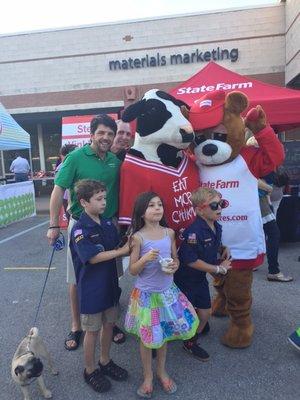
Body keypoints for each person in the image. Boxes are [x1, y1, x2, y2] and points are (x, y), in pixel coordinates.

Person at [47, 114, 122, 351]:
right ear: (91, 134)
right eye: (101, 133)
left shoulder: (114, 161)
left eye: (110, 134)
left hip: (108, 225)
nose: (106, 137)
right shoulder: (75, 158)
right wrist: (53, 225)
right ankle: (76, 325)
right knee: (76, 278)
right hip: (80, 225)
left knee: (111, 274)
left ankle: (110, 322)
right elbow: (58, 191)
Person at [125, 191, 199, 398]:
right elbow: (132, 270)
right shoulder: (137, 237)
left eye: (159, 204)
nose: (157, 208)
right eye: (151, 205)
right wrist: (146, 258)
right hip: (147, 297)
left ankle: (161, 372)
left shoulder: (169, 233)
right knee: (147, 338)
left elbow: (175, 259)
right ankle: (147, 376)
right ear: (141, 212)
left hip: (167, 294)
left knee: (164, 335)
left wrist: (174, 266)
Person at [70, 179, 129, 393]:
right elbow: (92, 257)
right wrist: (121, 252)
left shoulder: (106, 224)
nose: (104, 202)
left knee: (109, 325)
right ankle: (90, 369)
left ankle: (105, 361)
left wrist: (128, 242)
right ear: (84, 202)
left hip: (110, 286)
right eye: (99, 199)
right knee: (91, 331)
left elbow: (117, 245)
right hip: (92, 290)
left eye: (105, 197)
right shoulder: (79, 229)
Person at [175, 187, 231, 361]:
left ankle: (191, 338)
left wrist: (223, 248)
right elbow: (191, 260)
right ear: (199, 210)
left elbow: (212, 246)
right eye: (214, 205)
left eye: (221, 203)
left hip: (199, 279)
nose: (220, 208)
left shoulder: (216, 226)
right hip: (186, 280)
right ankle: (175, 341)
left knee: (205, 313)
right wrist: (218, 269)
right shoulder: (194, 232)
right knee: (184, 314)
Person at [54, 144, 78, 221]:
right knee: (71, 218)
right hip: (67, 197)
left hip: (71, 197)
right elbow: (58, 185)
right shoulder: (62, 166)